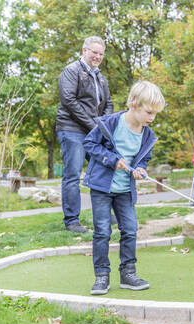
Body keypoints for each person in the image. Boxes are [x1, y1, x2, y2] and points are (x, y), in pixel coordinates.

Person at [83, 81, 165, 295]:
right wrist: (112, 159)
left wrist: (140, 169)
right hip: (102, 187)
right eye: (149, 112)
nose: (152, 118)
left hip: (125, 190)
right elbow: (90, 144)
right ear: (133, 104)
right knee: (102, 231)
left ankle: (128, 273)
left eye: (155, 114)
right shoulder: (110, 123)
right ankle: (101, 276)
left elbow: (143, 159)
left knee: (130, 229)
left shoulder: (147, 134)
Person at [56, 36, 114, 233]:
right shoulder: (71, 71)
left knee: (103, 169)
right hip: (72, 129)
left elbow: (109, 104)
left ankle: (105, 214)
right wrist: (94, 126)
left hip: (93, 130)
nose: (97, 57)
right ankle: (72, 221)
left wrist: (103, 125)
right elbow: (69, 102)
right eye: (94, 52)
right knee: (73, 175)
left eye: (101, 54)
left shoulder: (101, 77)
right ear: (84, 51)